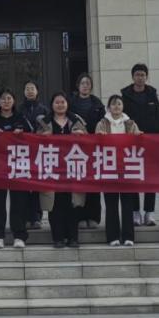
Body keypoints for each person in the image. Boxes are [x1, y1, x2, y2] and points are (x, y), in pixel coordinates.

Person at [0, 89, 32, 249]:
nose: (6, 101)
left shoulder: (20, 116)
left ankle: (19, 235)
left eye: (9, 98)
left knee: (19, 201)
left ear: (14, 100)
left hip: (18, 163)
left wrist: (22, 133)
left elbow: (32, 134)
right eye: (3, 98)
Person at [38, 92, 85, 248]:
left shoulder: (76, 120)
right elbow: (33, 142)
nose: (60, 105)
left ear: (67, 104)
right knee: (55, 205)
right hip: (52, 169)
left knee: (72, 204)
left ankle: (73, 238)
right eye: (57, 102)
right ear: (52, 105)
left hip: (72, 168)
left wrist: (82, 135)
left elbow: (89, 141)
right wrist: (42, 137)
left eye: (62, 102)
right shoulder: (44, 122)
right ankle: (57, 238)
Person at [121, 63, 159, 227]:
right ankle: (135, 211)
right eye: (137, 74)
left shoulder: (152, 94)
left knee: (150, 177)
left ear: (146, 77)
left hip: (150, 142)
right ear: (133, 77)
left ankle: (149, 212)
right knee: (133, 176)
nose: (140, 77)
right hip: (131, 142)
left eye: (143, 75)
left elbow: (158, 117)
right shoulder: (125, 95)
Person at [96, 95, 139, 247]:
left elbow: (138, 141)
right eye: (113, 104)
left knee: (127, 203)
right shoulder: (102, 123)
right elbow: (95, 143)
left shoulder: (130, 123)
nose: (116, 107)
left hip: (127, 167)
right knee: (111, 203)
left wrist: (139, 136)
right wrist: (100, 137)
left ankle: (128, 236)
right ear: (108, 107)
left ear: (123, 107)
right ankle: (112, 236)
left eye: (119, 104)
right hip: (109, 167)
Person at [69, 74, 106, 226]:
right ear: (78, 86)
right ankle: (79, 217)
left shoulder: (97, 103)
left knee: (93, 182)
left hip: (93, 148)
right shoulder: (71, 102)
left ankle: (93, 217)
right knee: (78, 183)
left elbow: (103, 122)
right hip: (76, 148)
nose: (85, 86)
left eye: (88, 83)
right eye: (82, 83)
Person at [20, 80, 49, 229]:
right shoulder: (19, 109)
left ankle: (37, 217)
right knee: (24, 184)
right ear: (24, 92)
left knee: (36, 184)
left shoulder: (44, 109)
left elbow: (49, 127)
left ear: (37, 91)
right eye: (27, 88)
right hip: (23, 150)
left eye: (32, 88)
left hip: (39, 150)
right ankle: (25, 216)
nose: (30, 91)